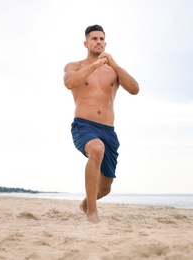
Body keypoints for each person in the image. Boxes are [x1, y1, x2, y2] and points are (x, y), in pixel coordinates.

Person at [63, 25, 139, 223]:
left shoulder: (113, 71)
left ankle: (87, 203)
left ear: (105, 43)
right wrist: (95, 65)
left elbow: (135, 89)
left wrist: (113, 64)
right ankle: (92, 214)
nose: (98, 41)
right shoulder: (75, 66)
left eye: (101, 39)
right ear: (86, 43)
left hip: (108, 130)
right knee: (96, 148)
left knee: (105, 188)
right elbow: (69, 83)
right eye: (94, 38)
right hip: (83, 125)